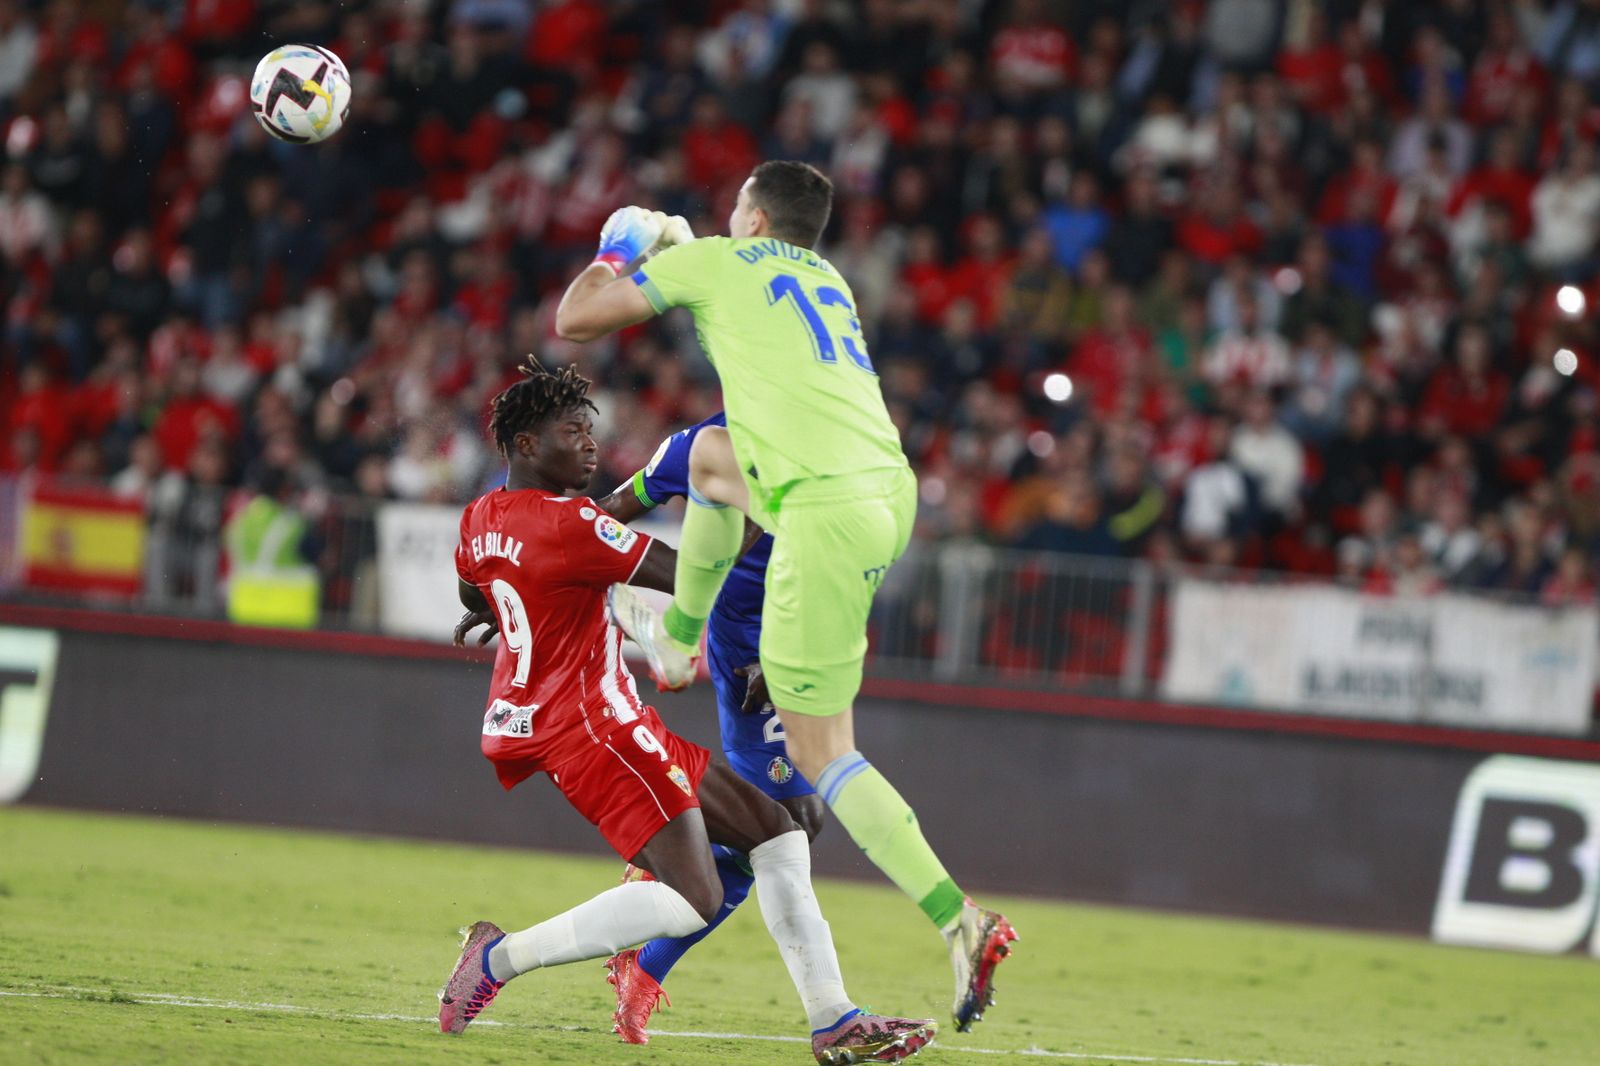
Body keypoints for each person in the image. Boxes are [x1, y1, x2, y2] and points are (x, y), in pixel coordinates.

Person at [553, 161, 1018, 1032]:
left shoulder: (718, 263)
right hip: (888, 495)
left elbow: (574, 319)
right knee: (713, 465)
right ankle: (677, 639)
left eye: (736, 207)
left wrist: (622, 247)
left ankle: (959, 919)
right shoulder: (828, 281)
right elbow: (728, 288)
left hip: (822, 517)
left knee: (823, 758)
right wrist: (688, 251)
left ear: (756, 218)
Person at [439, 359, 934, 1065]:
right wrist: (763, 520)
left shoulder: (481, 517)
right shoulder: (573, 524)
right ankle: (497, 959)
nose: (590, 443)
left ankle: (833, 1020)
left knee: (778, 831)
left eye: (589, 429)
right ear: (525, 444)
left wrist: (508, 602)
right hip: (595, 729)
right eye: (572, 431)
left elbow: (472, 589)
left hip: (563, 720)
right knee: (692, 898)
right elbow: (688, 576)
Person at [592, 412, 825, 1043]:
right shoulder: (696, 445)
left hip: (804, 643)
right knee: (791, 823)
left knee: (783, 826)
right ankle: (647, 958)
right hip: (747, 641)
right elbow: (608, 512)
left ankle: (656, 910)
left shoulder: (829, 438)